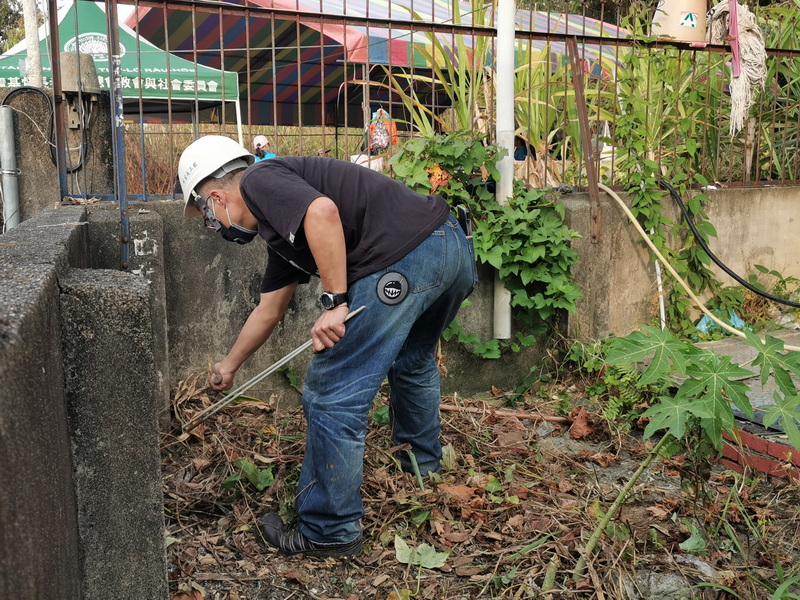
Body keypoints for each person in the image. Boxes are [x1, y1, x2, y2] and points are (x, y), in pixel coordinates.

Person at [177, 135, 477, 559]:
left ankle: (328, 530)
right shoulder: (282, 231)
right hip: (451, 247)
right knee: (412, 362)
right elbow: (269, 310)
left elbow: (322, 212)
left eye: (207, 216)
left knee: (332, 392)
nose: (213, 224)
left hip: (405, 259)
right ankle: (421, 470)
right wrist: (229, 366)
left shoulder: (259, 180)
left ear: (216, 197)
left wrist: (336, 302)